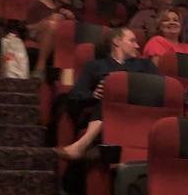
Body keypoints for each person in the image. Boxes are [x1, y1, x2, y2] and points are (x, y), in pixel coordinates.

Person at [54, 27, 157, 160]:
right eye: (132, 41)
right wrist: (93, 95)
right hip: (106, 113)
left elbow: (160, 89)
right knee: (109, 97)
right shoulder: (95, 66)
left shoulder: (146, 65)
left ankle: (83, 147)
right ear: (116, 42)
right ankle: (84, 147)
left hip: (138, 113)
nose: (137, 46)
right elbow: (76, 92)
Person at [24, 0, 80, 80]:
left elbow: (79, 30)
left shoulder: (70, 8)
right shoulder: (38, 5)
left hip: (62, 39)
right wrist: (47, 20)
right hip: (38, 34)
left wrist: (72, 19)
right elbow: (29, 28)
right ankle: (40, 68)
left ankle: (67, 79)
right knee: (51, 24)